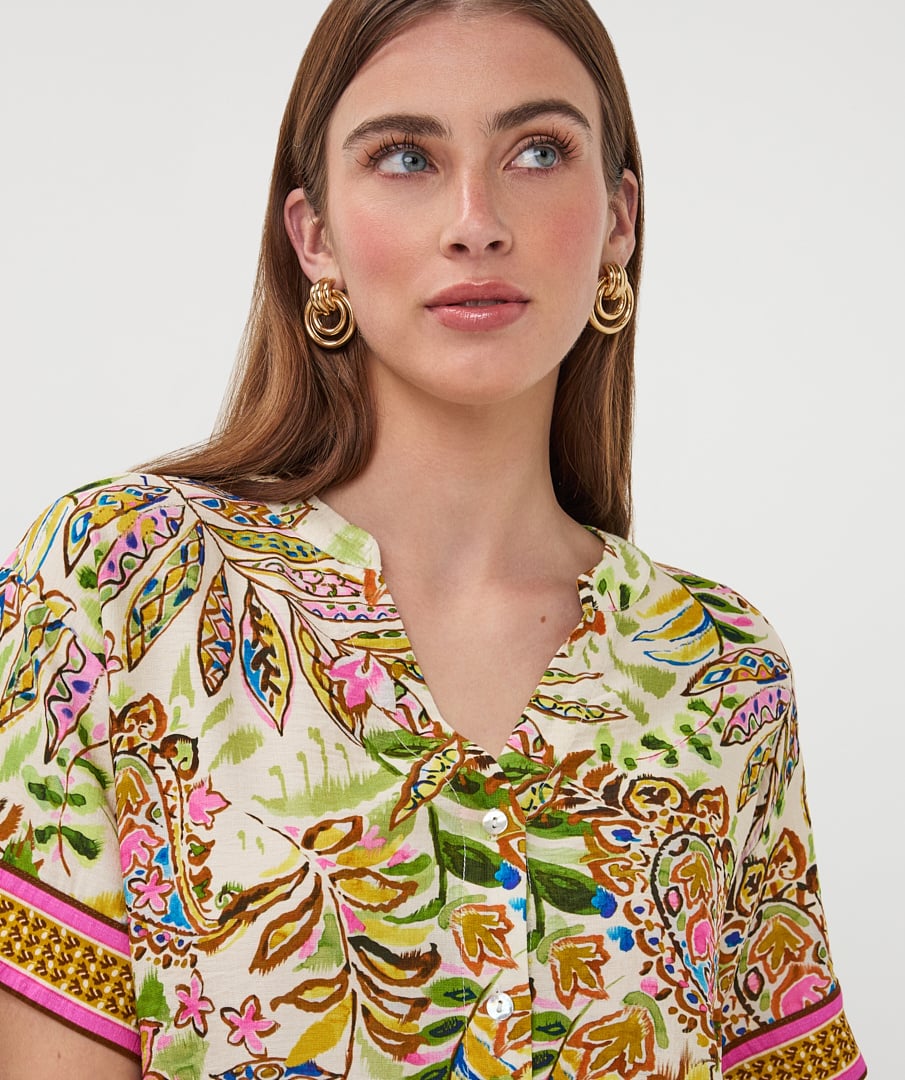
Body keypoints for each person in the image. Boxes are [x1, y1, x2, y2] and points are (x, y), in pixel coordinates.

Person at [0, 0, 866, 1077]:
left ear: (618, 221)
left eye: (536, 152)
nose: (475, 222)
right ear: (313, 237)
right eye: (406, 157)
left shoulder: (718, 669)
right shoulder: (119, 582)